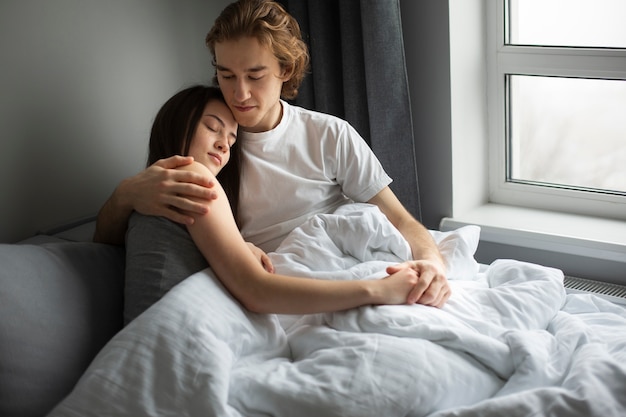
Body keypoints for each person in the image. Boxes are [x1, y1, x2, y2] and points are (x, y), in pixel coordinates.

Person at [94, 0, 451, 308]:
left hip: (345, 264)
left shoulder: (329, 135)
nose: (240, 93)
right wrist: (125, 194)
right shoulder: (206, 147)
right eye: (226, 75)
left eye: (255, 75)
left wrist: (431, 262)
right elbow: (110, 242)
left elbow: (402, 222)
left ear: (285, 69)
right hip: (284, 289)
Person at [123, 84, 424, 323]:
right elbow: (256, 291)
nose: (223, 144)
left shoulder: (155, 191)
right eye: (213, 128)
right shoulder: (193, 178)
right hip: (175, 328)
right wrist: (378, 290)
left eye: (230, 139)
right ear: (177, 125)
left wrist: (240, 247)